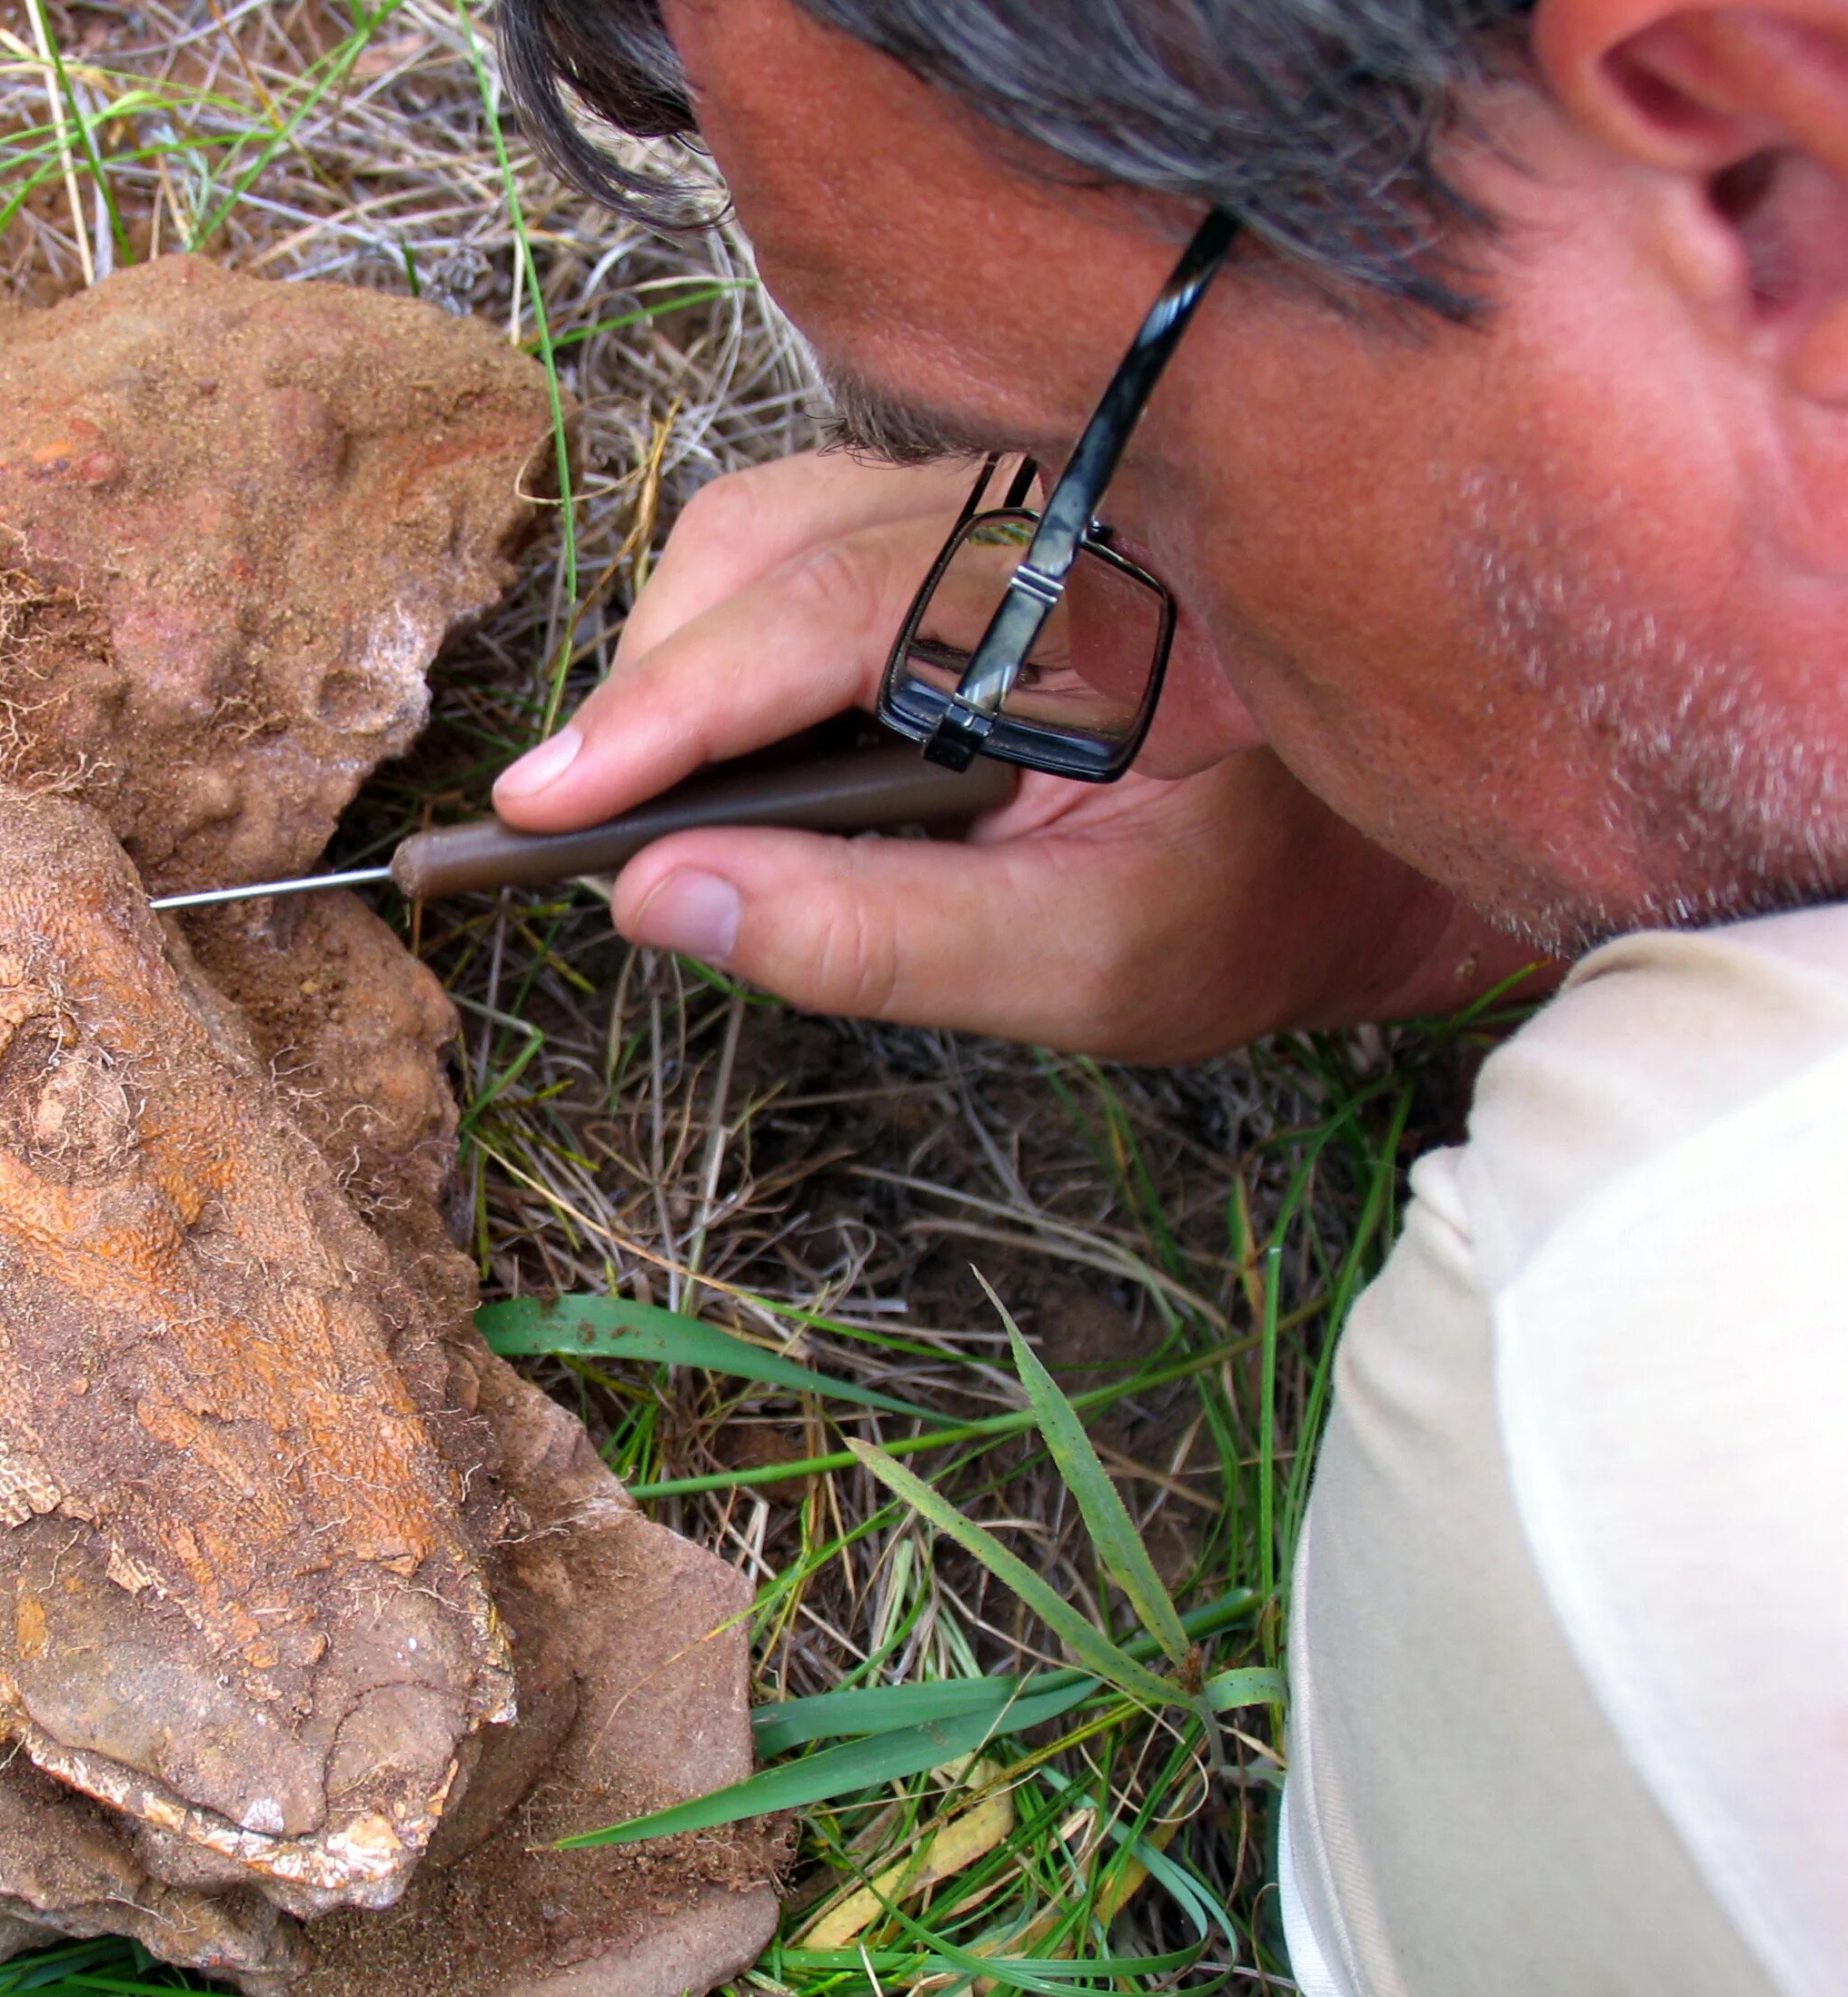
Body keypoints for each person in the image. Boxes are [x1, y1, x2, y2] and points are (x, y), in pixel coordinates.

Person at [487, 0, 1848, 1991]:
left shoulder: (1692, 1411)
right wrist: (1482, 874)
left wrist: (1657, 1033)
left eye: (1098, 467)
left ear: (1756, 175)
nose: (1117, 617)